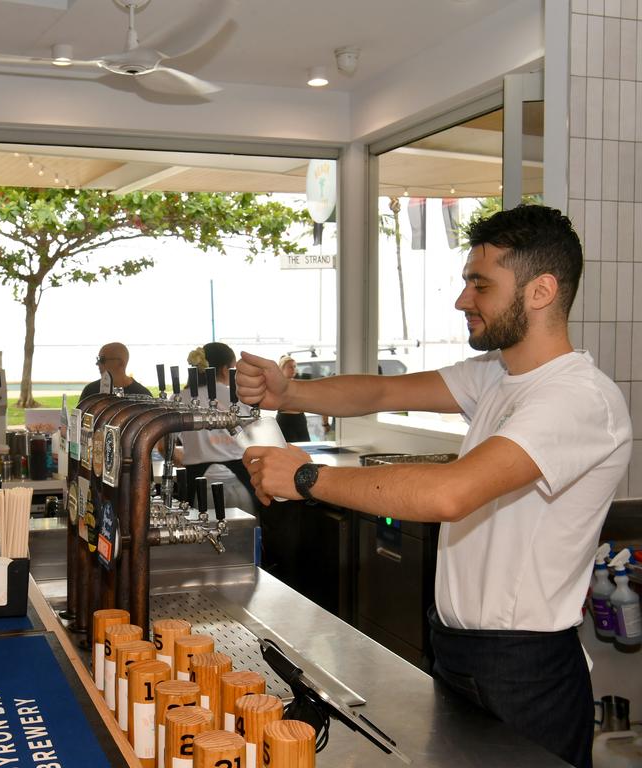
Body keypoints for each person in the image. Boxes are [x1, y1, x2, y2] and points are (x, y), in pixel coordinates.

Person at [236, 205, 631, 768]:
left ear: (541, 291)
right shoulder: (500, 374)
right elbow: (376, 394)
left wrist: (307, 477)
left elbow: (451, 494)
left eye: (480, 284)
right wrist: (287, 395)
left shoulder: (577, 398)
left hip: (526, 668)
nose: (462, 299)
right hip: (455, 647)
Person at [174, 342, 257, 515]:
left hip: (196, 481)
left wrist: (192, 452)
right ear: (227, 370)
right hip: (241, 479)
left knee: (201, 536)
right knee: (245, 536)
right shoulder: (238, 397)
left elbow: (163, 447)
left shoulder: (178, 399)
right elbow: (255, 439)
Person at [78, 342, 151, 401]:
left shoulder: (143, 395)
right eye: (98, 359)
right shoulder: (90, 391)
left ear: (120, 363)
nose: (97, 363)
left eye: (102, 359)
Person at [274, 355, 311, 442]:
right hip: (285, 419)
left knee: (305, 447)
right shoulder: (277, 385)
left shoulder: (299, 384)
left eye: (294, 366)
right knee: (288, 448)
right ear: (282, 369)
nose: (293, 369)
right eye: (290, 367)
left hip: (300, 418)